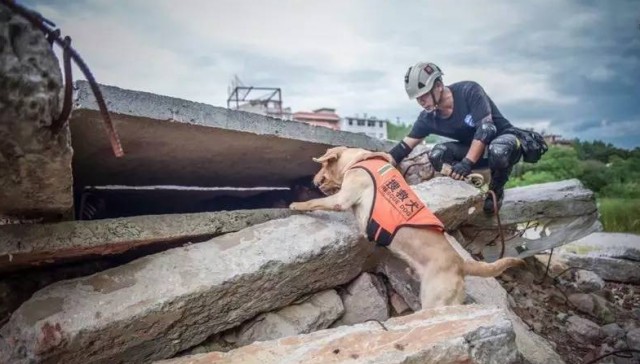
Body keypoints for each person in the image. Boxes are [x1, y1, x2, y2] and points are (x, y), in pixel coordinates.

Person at [387, 62, 523, 213]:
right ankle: (470, 184)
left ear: (438, 86)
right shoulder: (427, 118)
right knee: (438, 154)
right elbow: (405, 146)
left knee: (496, 147)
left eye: (424, 95)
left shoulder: (469, 91)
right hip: (477, 152)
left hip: (505, 144)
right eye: (417, 98)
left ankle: (496, 189)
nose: (421, 102)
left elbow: (487, 129)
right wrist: (383, 162)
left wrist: (466, 163)